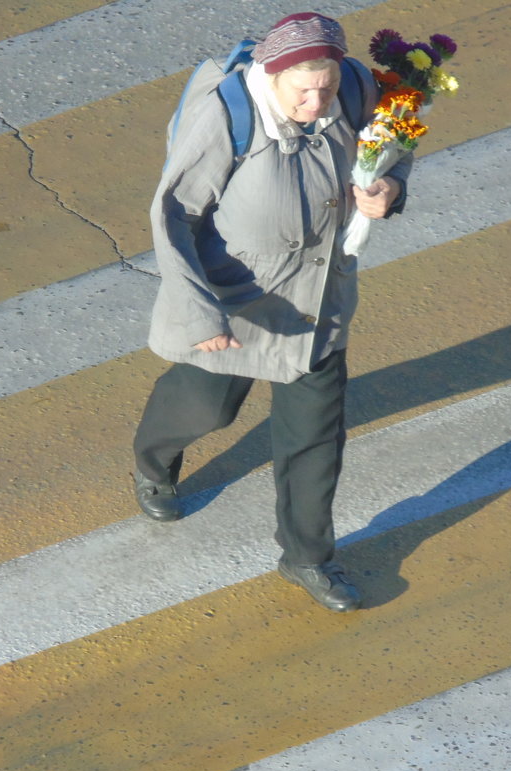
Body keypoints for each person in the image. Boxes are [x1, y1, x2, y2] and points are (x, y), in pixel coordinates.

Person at [133, 12, 411, 612]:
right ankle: (153, 462)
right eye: (302, 90)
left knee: (315, 436)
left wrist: (389, 189)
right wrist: (196, 312)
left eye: (327, 87)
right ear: (273, 75)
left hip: (317, 301)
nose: (317, 101)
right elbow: (173, 214)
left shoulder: (358, 89)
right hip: (236, 300)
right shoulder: (229, 117)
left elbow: (394, 144)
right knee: (206, 407)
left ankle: (308, 556)